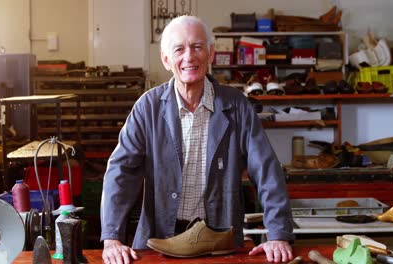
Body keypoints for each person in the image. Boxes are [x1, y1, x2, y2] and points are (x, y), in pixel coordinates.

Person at [101, 15, 294, 264]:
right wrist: (112, 237)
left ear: (211, 54)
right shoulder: (147, 108)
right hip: (159, 240)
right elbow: (121, 172)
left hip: (219, 241)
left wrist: (278, 234)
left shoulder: (237, 106)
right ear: (166, 59)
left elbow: (266, 170)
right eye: (179, 49)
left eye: (197, 47)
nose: (189, 57)